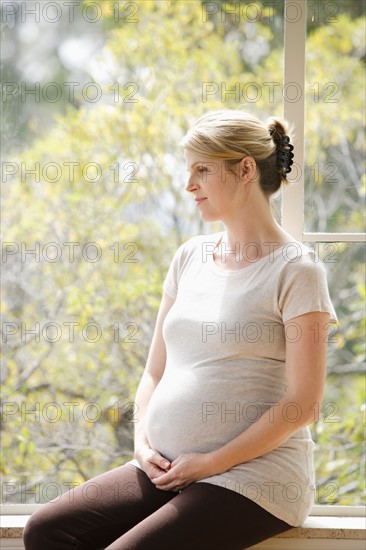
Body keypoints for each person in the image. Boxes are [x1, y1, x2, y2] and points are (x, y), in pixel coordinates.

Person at [23, 110, 338, 550]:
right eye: (188, 171)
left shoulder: (297, 271)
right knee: (46, 529)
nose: (189, 186)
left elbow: (302, 405)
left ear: (245, 169)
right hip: (168, 469)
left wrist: (209, 463)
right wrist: (142, 445)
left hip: (254, 478)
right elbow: (154, 372)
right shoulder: (190, 257)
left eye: (202, 170)